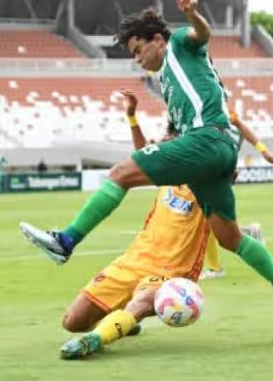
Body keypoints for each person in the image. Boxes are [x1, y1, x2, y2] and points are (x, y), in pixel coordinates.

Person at [20, 0, 273, 329]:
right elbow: (152, 150)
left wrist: (191, 12)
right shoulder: (170, 91)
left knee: (118, 174)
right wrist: (134, 119)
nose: (137, 59)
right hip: (215, 151)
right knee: (230, 237)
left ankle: (65, 241)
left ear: (157, 39)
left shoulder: (179, 46)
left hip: (207, 139)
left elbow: (203, 33)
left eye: (138, 49)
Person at [57, 90, 210, 360]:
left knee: (140, 303)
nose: (162, 147)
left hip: (172, 271)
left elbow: (226, 172)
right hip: (134, 260)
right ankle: (123, 322)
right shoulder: (166, 174)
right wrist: (131, 118)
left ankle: (95, 340)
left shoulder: (205, 183)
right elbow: (142, 155)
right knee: (72, 321)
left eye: (168, 142)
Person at [201, 110, 273, 279]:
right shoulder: (206, 110)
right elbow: (240, 128)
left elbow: (241, 127)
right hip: (215, 165)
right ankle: (247, 233)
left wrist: (264, 150)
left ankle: (214, 268)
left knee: (206, 218)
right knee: (208, 218)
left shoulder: (217, 111)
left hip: (218, 167)